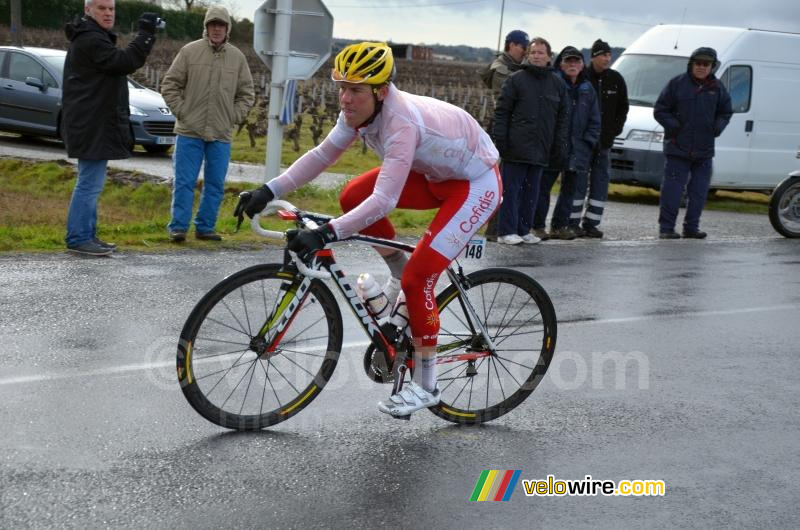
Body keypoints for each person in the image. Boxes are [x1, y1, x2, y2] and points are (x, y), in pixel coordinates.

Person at [240, 42, 501, 418]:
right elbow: (322, 155)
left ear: (380, 92)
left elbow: (384, 202)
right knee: (352, 195)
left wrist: (327, 233)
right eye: (341, 87)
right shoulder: (358, 113)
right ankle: (397, 270)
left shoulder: (400, 123)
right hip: (434, 175)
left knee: (418, 279)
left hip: (475, 182)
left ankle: (426, 386)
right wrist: (269, 190)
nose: (345, 98)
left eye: (355, 90)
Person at [62, 0, 158, 256]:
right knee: (89, 183)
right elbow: (124, 61)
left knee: (91, 181)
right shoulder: (90, 39)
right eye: (102, 8)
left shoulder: (92, 36)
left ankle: (86, 234)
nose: (108, 13)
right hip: (91, 123)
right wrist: (145, 35)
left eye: (111, 9)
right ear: (88, 10)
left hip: (92, 122)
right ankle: (79, 237)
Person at [161, 5, 254, 242]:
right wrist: (183, 112)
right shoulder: (189, 52)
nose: (216, 29)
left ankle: (205, 227)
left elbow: (247, 94)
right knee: (184, 182)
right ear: (206, 27)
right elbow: (170, 85)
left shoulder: (237, 58)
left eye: (221, 25)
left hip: (221, 133)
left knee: (215, 184)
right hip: (189, 131)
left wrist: (233, 117)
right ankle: (178, 228)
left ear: (227, 29)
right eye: (213, 24)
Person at [491, 37, 568, 245]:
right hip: (515, 147)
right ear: (528, 56)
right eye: (533, 52)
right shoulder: (516, 80)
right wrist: (501, 140)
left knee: (532, 192)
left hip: (541, 149)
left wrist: (558, 145)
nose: (536, 56)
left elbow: (562, 119)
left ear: (549, 57)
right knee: (511, 191)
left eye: (541, 52)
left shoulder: (558, 84)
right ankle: (506, 231)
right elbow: (502, 112)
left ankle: (524, 230)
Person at [654, 47, 732, 239]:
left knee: (698, 192)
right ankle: (666, 229)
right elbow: (660, 109)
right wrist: (675, 128)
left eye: (706, 64)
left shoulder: (718, 88)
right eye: (698, 63)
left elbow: (726, 112)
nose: (701, 67)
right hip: (677, 148)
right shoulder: (676, 84)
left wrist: (717, 128)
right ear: (691, 64)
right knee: (672, 191)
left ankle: (691, 228)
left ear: (712, 66)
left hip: (704, 150)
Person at [533, 46, 600, 240]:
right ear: (560, 64)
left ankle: (560, 226)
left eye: (576, 61)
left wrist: (588, 142)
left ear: (582, 65)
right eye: (568, 61)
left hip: (578, 148)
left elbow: (595, 120)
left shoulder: (588, 89)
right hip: (553, 147)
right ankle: (537, 226)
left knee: (570, 190)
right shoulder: (552, 84)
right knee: (543, 189)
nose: (572, 65)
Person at [481, 29, 529, 242]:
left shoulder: (515, 68)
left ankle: (506, 227)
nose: (525, 51)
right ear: (511, 45)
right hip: (503, 129)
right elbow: (512, 93)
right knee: (501, 181)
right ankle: (494, 230)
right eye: (522, 46)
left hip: (514, 129)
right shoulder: (501, 69)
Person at [578, 39, 629, 238]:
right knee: (578, 184)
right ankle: (571, 223)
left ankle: (591, 223)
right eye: (603, 55)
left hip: (604, 143)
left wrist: (614, 130)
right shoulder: (583, 77)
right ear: (594, 57)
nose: (607, 58)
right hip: (583, 143)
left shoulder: (616, 79)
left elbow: (623, 108)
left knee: (600, 183)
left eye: (609, 55)